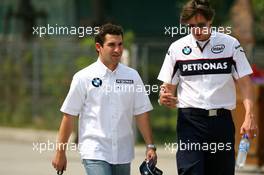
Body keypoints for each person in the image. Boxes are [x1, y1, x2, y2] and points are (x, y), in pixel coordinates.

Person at [157, 0, 257, 175]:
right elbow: (167, 90)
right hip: (190, 122)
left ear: (210, 21)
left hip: (222, 122)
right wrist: (163, 97)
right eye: (191, 26)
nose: (197, 30)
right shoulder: (177, 48)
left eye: (201, 25)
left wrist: (249, 116)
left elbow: (246, 84)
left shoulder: (230, 44)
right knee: (190, 172)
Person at [52, 23, 157, 175]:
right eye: (111, 45)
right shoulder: (83, 77)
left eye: (120, 44)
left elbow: (141, 112)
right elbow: (69, 115)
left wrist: (150, 146)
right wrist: (60, 153)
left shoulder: (132, 76)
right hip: (95, 151)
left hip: (123, 153)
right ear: (98, 47)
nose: (117, 49)